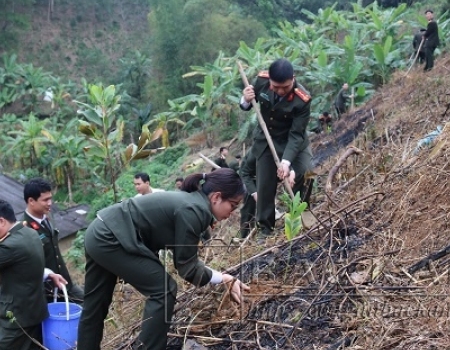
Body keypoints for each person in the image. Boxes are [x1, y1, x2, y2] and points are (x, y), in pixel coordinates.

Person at [77, 168, 249, 350]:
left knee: (94, 307)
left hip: (99, 230)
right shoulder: (195, 209)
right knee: (164, 290)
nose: (233, 212)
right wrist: (223, 278)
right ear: (216, 197)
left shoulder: (191, 202)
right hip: (112, 238)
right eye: (233, 205)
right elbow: (187, 268)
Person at [240, 58, 313, 239]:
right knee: (265, 184)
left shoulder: (302, 99)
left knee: (306, 173)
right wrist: (245, 100)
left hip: (292, 141)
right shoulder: (262, 81)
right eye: (276, 87)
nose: (280, 91)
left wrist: (286, 163)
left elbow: (296, 135)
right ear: (270, 80)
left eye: (285, 87)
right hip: (266, 140)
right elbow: (248, 104)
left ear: (293, 79)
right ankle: (265, 229)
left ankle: (302, 215)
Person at [0, 199, 67, 349]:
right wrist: (48, 274)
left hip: (17, 317)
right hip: (35, 311)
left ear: (1, 221)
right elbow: (24, 267)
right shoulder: (30, 233)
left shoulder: (9, 246)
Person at [22, 177, 84, 304]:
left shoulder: (48, 218)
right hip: (46, 293)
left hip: (65, 283)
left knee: (88, 305)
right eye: (45, 200)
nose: (50, 203)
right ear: (31, 201)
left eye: (50, 198)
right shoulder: (24, 228)